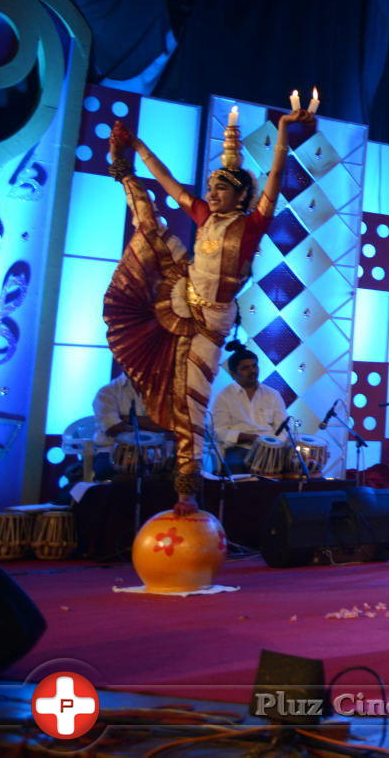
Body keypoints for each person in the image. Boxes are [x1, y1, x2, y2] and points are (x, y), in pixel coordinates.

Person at [103, 104, 309, 515]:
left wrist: (284, 128)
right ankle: (122, 174)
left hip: (211, 320)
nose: (211, 194)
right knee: (150, 225)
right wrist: (137, 148)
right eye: (211, 187)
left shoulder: (252, 224)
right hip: (179, 290)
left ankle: (187, 494)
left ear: (240, 195)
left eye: (220, 189)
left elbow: (276, 171)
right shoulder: (203, 216)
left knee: (191, 402)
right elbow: (168, 182)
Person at [210, 346, 288, 471]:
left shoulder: (273, 395)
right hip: (240, 448)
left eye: (254, 366)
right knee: (236, 465)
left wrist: (271, 447)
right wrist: (248, 437)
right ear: (233, 373)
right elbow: (219, 432)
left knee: (294, 465)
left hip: (270, 448)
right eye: (245, 368)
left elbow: (282, 431)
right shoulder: (224, 397)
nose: (252, 371)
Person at [90, 373, 169, 479]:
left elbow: (170, 426)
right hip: (112, 451)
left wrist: (127, 419)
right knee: (115, 474)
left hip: (156, 452)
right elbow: (113, 428)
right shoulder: (107, 391)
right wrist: (151, 424)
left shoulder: (166, 391)